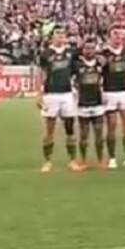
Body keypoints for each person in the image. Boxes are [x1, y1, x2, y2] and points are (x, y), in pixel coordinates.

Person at [36, 26, 79, 173]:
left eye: (62, 34)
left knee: (70, 128)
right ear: (52, 37)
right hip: (50, 94)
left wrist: (75, 89)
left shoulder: (71, 53)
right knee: (49, 129)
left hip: (67, 93)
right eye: (57, 34)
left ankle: (72, 160)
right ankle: (47, 161)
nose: (60, 37)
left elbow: (75, 72)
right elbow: (41, 74)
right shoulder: (46, 54)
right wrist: (39, 93)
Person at [102, 28, 125, 169]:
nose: (117, 37)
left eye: (119, 35)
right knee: (111, 126)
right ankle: (112, 158)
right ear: (109, 37)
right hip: (109, 92)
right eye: (114, 34)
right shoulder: (103, 54)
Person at [74, 39, 107, 171]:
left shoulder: (101, 63)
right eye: (87, 48)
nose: (89, 50)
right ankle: (83, 160)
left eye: (92, 48)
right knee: (83, 136)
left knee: (99, 135)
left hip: (97, 103)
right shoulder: (77, 64)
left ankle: (100, 160)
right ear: (83, 50)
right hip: (83, 103)